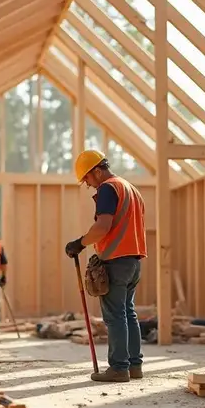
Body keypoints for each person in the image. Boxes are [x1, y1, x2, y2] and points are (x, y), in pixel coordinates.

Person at [65, 149, 147, 383]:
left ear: (98, 171)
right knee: (128, 313)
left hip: (115, 260)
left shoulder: (108, 188)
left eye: (88, 179)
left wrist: (79, 243)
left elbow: (103, 227)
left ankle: (119, 368)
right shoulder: (130, 189)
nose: (88, 185)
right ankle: (134, 366)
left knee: (115, 316)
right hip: (133, 260)